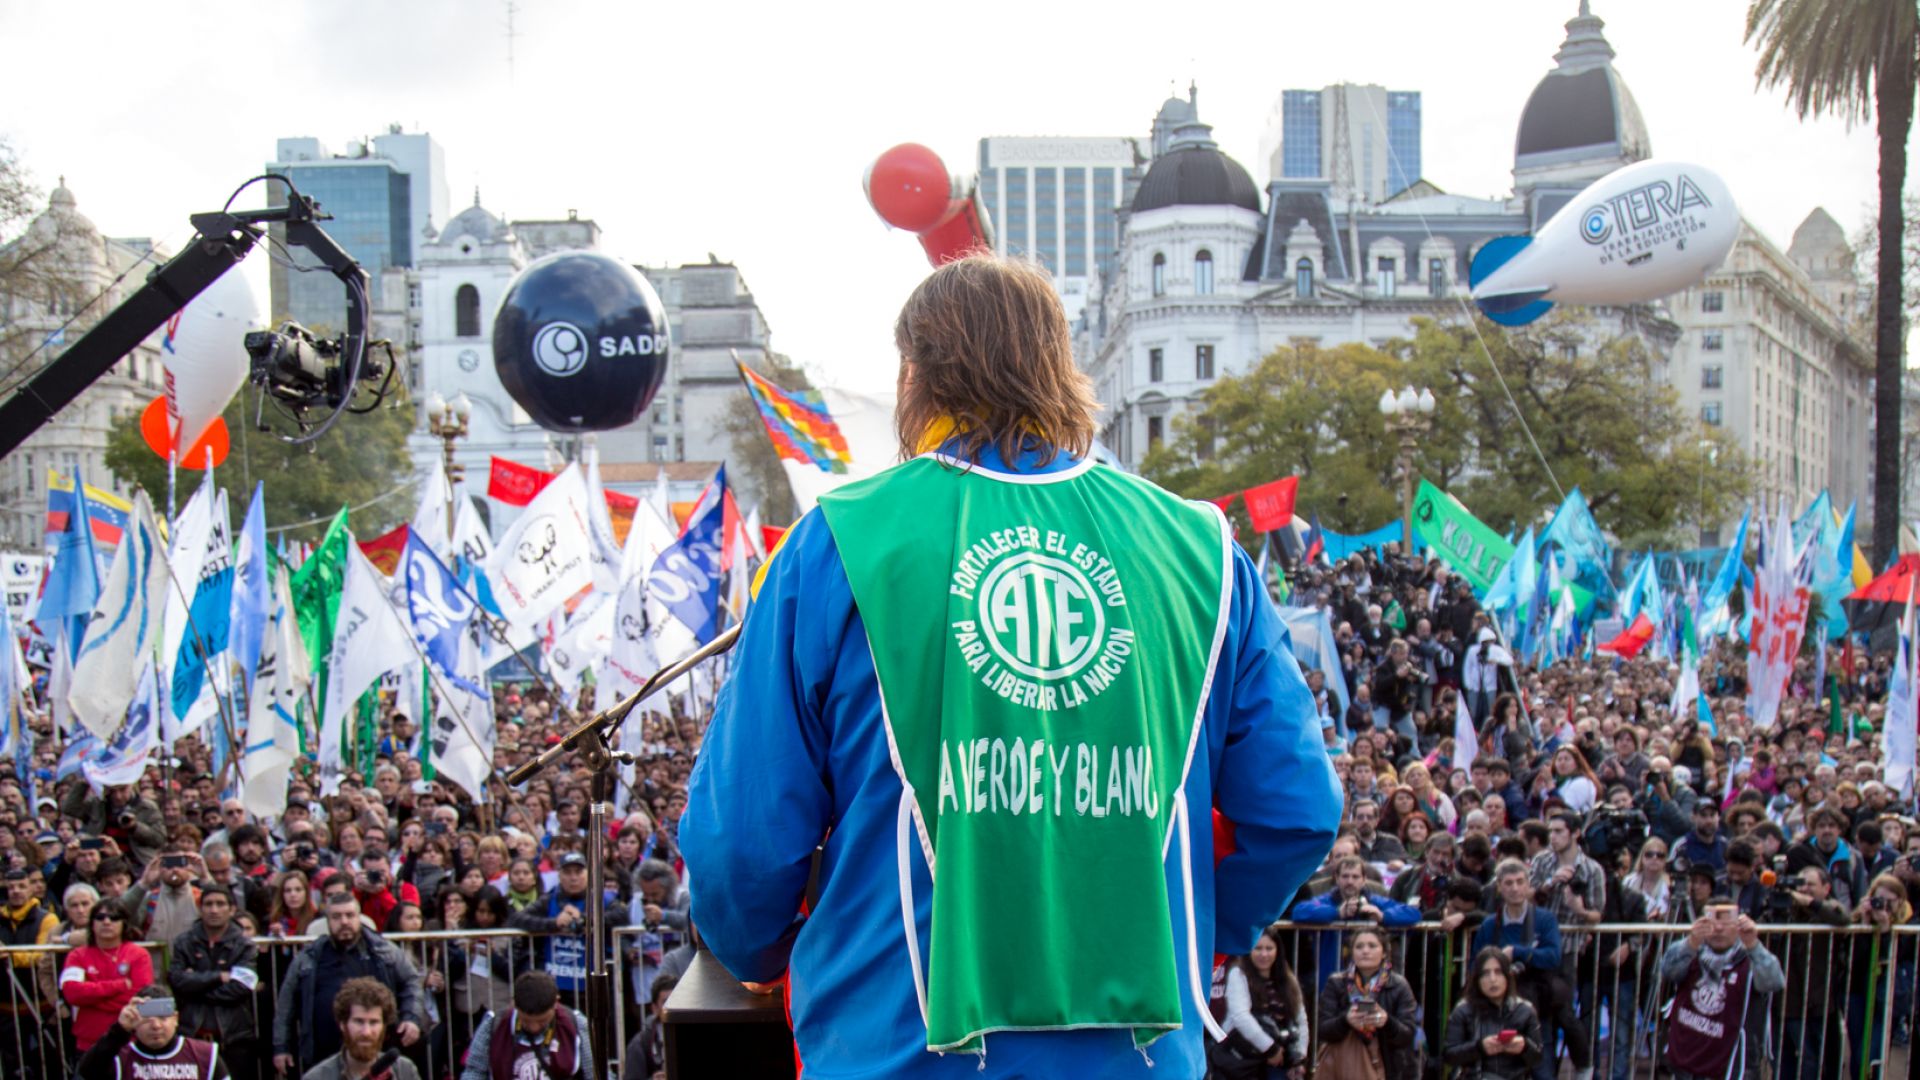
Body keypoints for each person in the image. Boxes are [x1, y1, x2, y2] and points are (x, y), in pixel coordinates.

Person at [679, 254, 1341, 1076]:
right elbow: (1299, 809)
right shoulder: (1203, 550)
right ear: (1061, 367)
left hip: (895, 1047)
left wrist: (761, 952)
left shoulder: (838, 542)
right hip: (1139, 1053)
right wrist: (1198, 930)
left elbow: (741, 845)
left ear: (916, 377)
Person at [273, 892, 425, 1073]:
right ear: (327, 921)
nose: (344, 921)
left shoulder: (384, 951)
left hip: (375, 1053)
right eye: (336, 916)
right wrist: (281, 1047)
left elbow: (412, 982)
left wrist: (412, 1017)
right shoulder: (309, 957)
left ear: (359, 917)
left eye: (350, 915)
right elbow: (285, 1005)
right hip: (322, 1056)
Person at [1470, 860, 1576, 1080]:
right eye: (1508, 883)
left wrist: (1517, 952)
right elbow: (1476, 964)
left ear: (1529, 884)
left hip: (1537, 1002)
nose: (1515, 888)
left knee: (1542, 1064)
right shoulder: (1490, 924)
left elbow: (1553, 956)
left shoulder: (1545, 919)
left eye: (1520, 882)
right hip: (1497, 1005)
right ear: (1499, 887)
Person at [1657, 900, 1784, 1080]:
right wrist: (1690, 942)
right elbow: (1668, 971)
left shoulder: (1750, 958)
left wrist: (1753, 944)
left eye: (1726, 922)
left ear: (1739, 923)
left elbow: (1774, 982)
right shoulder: (1691, 950)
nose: (1718, 929)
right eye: (1712, 921)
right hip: (1686, 1057)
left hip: (1729, 1065)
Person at [506, 850, 629, 1009]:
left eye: (578, 872)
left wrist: (587, 921)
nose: (573, 877)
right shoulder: (549, 899)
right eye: (568, 872)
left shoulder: (603, 898)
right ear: (559, 875)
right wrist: (553, 924)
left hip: (594, 983)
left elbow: (621, 915)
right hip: (557, 983)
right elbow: (517, 919)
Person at [169, 885, 260, 1080]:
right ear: (200, 909)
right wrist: (219, 977)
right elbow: (177, 981)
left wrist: (195, 985)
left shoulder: (245, 945)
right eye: (208, 904)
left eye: (220, 904)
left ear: (232, 909)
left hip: (233, 1037)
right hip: (192, 1035)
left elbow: (240, 988)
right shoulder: (183, 942)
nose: (214, 910)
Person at [1314, 928, 1421, 1079]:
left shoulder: (1399, 985)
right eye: (1359, 946)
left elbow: (1408, 1034)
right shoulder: (1336, 983)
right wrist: (1346, 1021)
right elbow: (1323, 1029)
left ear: (1384, 952)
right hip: (1345, 1066)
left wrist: (1386, 1021)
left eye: (1372, 946)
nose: (1365, 951)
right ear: (1352, 952)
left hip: (1389, 1067)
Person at [1773, 864, 1847, 1080]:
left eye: (1810, 884)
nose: (1803, 889)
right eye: (1799, 884)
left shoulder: (1828, 909)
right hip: (1787, 1001)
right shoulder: (1785, 909)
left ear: (1826, 888)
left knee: (1816, 1061)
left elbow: (1842, 917)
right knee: (1786, 1061)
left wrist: (1809, 902)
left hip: (1819, 1002)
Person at [1208, 926, 1307, 1079]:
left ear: (1277, 950)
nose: (1264, 954)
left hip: (1279, 1061)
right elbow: (1240, 1017)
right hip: (1244, 1061)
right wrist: (1271, 1049)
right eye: (1258, 948)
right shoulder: (1238, 973)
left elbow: (1300, 1019)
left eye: (1269, 948)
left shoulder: (1288, 979)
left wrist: (1299, 1056)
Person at [1842, 872, 1915, 1080]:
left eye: (1889, 901)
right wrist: (1865, 926)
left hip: (1887, 994)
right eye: (1878, 899)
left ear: (1900, 900)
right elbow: (1853, 960)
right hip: (1857, 992)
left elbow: (1897, 956)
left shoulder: (1907, 924)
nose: (1882, 905)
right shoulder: (1857, 920)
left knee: (1874, 1051)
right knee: (1858, 1051)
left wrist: (1884, 931)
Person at [459, 971, 593, 1080]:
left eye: (542, 1021)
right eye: (526, 1021)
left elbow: (596, 1073)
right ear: (514, 1004)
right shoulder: (493, 1024)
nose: (534, 1027)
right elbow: (474, 1071)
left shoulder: (576, 1024)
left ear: (555, 1003)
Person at [61, 899, 154, 1052]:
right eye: (100, 917)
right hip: (89, 1042)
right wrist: (119, 985)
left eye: (114, 917)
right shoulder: (76, 955)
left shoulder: (139, 955)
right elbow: (73, 994)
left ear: (124, 923)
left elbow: (139, 999)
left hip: (129, 1041)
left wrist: (91, 999)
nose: (106, 921)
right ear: (92, 923)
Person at [75, 990, 231, 1080]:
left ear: (175, 1019)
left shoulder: (205, 1055)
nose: (156, 1026)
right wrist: (120, 1030)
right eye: (147, 1019)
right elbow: (86, 1072)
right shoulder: (119, 1057)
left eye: (163, 1018)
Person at [1442, 947, 1543, 1079]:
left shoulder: (1525, 1010)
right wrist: (1479, 1048)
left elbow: (1538, 1058)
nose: (1492, 979)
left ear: (1507, 976)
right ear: (1477, 979)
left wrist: (1524, 1046)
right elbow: (1449, 1055)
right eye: (1485, 973)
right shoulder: (1463, 1010)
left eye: (1498, 972)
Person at [302, 977, 421, 1080]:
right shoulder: (317, 1077)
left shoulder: (405, 1070)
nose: (366, 1032)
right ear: (343, 1024)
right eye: (359, 1022)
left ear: (384, 1026)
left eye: (374, 1022)